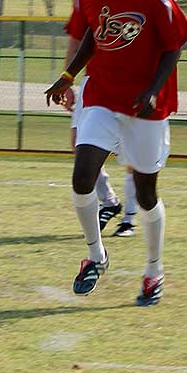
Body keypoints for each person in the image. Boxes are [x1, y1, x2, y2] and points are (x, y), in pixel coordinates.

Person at [44, 0, 187, 306]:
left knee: (145, 194)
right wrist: (67, 75)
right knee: (82, 176)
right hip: (103, 96)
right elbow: (95, 31)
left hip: (145, 107)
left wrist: (152, 90)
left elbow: (175, 44)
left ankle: (153, 270)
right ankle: (95, 256)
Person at [59, 41, 139, 238]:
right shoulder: (87, 8)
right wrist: (67, 79)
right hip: (93, 82)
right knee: (80, 145)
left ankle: (129, 219)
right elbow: (75, 42)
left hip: (131, 80)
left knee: (132, 153)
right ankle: (110, 202)